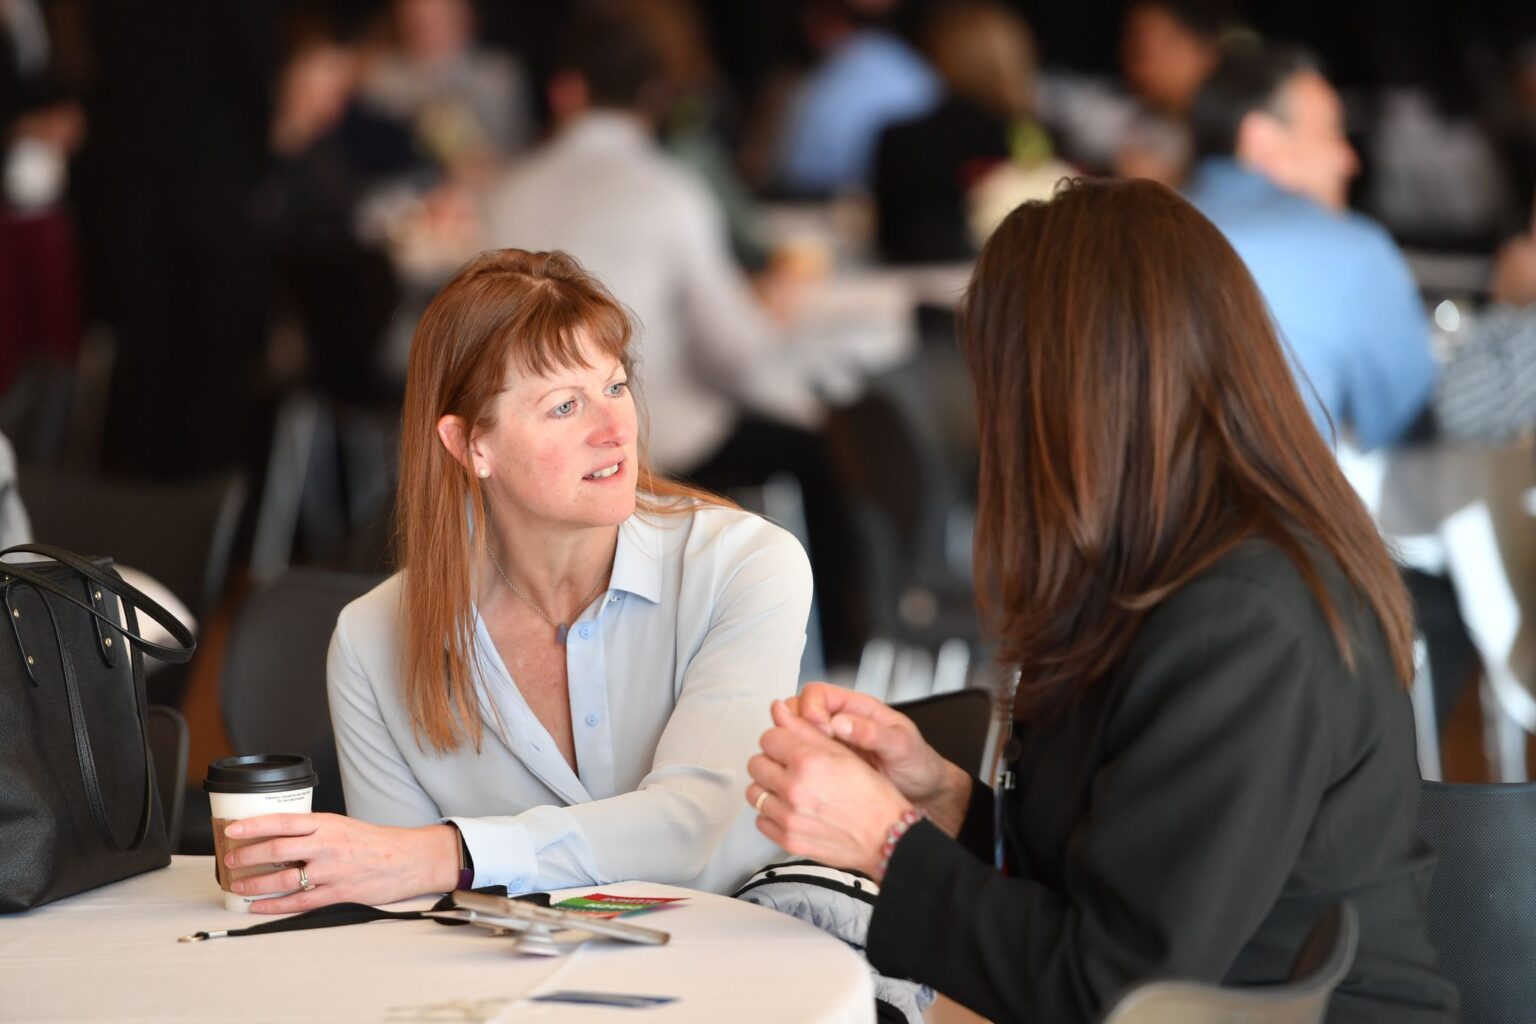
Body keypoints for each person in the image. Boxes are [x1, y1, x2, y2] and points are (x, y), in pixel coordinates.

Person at [745, 179, 1459, 1023]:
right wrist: (946, 805)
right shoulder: (1182, 568)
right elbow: (1129, 871)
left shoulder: (1246, 617)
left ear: (1072, 397)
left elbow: (1111, 992)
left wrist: (886, 844)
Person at [218, 249, 813, 912]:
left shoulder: (745, 566)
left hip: (742, 976)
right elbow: (402, 907)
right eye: (565, 407)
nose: (615, 429)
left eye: (615, 387)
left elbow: (687, 827)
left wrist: (447, 853)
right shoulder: (370, 639)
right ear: (471, 444)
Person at [1185, 46, 1437, 452]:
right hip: (1282, 513)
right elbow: (1414, 423)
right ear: (1261, 140)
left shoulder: (1130, 239)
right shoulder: (1351, 250)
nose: (1349, 160)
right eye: (1332, 132)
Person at [872, 1, 1071, 263]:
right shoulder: (1045, 136)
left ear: (937, 56)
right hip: (1027, 286)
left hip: (914, 286)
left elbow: (889, 238)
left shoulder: (903, 139)